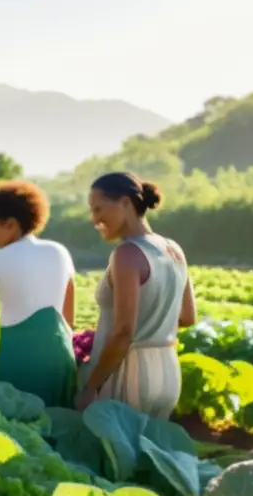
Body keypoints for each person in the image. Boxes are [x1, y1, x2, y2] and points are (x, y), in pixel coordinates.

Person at [77, 173, 196, 419]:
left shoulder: (127, 253)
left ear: (125, 203)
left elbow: (123, 333)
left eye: (98, 208)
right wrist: (153, 327)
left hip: (130, 374)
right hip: (168, 372)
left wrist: (91, 386)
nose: (94, 218)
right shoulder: (173, 249)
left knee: (110, 454)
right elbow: (187, 317)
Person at [0, 180, 76, 407]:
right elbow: (68, 315)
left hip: (21, 358)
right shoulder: (59, 251)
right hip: (60, 354)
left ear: (11, 224)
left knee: (19, 426)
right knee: (60, 422)